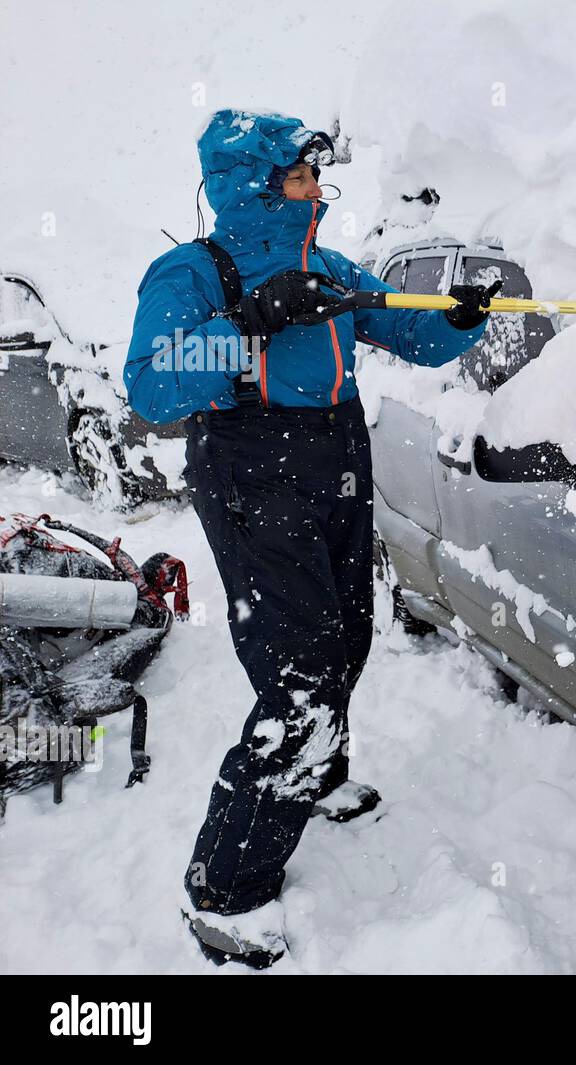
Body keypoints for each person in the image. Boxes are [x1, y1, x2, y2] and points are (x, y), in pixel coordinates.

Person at [123, 109, 496, 968]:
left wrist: (459, 316)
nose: (314, 188)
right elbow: (150, 384)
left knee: (346, 635)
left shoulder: (325, 265)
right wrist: (249, 320)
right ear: (258, 184)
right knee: (301, 675)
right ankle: (226, 887)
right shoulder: (193, 271)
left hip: (334, 455)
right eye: (299, 176)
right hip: (252, 467)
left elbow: (410, 331)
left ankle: (315, 774)